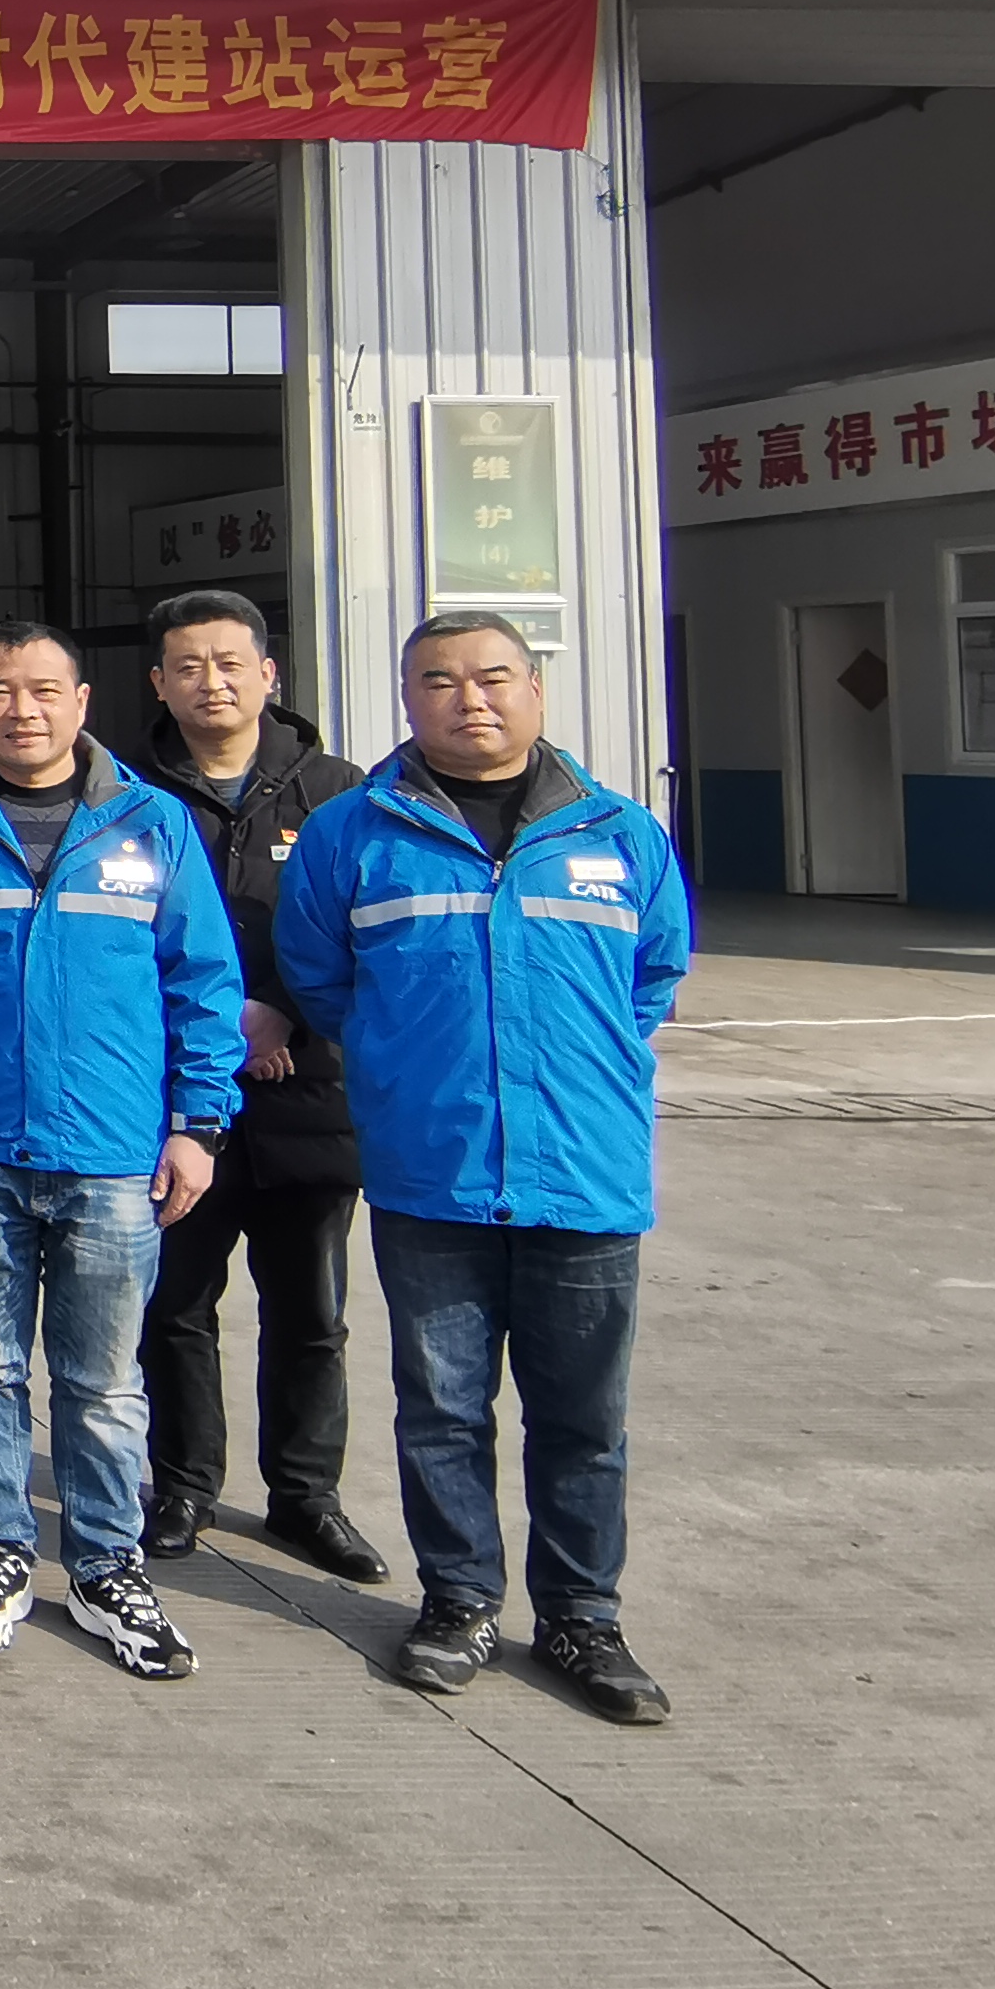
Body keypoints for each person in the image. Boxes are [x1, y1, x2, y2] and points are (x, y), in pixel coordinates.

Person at [276, 614, 691, 1725]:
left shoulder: (621, 834)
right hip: (432, 1170)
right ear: (407, 698)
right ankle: (458, 1600)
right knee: (443, 1410)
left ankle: (582, 1618)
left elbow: (652, 980)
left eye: (494, 678)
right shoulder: (353, 834)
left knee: (583, 1418)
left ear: (536, 689)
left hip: (585, 1174)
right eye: (441, 681)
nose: (471, 700)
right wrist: (411, 1066)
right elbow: (322, 979)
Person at [0, 622, 242, 1681]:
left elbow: (203, 983)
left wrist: (198, 1124)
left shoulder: (152, 824)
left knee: (103, 1381)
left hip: (114, 1155)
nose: (20, 710)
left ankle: (107, 1564)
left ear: (83, 702)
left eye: (42, 690)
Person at [128, 588, 384, 1581]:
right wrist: (213, 1025)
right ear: (158, 682)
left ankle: (304, 1497)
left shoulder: (340, 793)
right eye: (188, 666)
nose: (211, 682)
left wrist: (282, 1008)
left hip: (307, 1093)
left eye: (230, 663)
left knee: (309, 1313)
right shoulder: (126, 792)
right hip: (174, 1098)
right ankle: (182, 1484)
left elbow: (368, 928)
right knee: (175, 1306)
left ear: (269, 674)